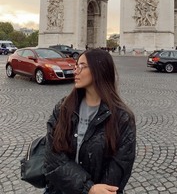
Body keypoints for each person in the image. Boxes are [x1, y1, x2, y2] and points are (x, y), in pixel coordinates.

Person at [43, 48, 136, 194]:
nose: (75, 71)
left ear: (100, 70)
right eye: (76, 65)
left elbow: (120, 165)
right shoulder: (63, 108)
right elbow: (52, 157)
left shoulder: (123, 118)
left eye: (82, 66)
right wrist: (89, 188)